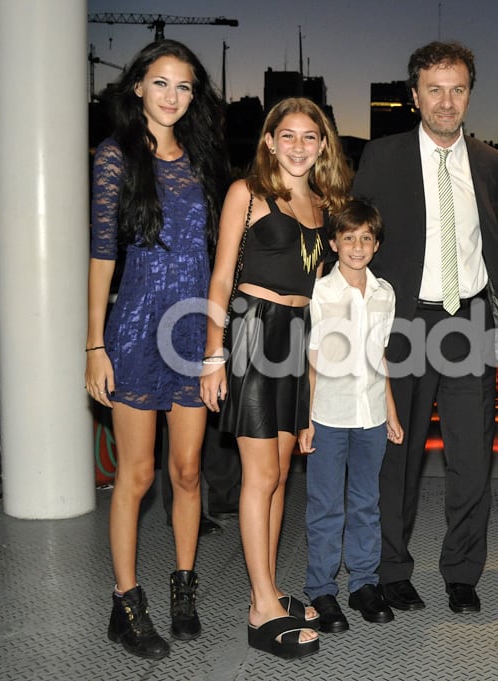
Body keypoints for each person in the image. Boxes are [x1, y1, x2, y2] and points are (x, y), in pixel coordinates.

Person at [351, 41, 498, 614]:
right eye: (435, 90)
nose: (447, 102)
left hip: (468, 318)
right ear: (415, 95)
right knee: (396, 453)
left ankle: (463, 572)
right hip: (406, 320)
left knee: (472, 456)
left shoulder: (491, 161)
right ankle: (392, 568)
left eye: (457, 89)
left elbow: (495, 243)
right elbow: (357, 240)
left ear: (469, 93)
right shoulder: (382, 156)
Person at [85, 39, 229, 659]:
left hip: (194, 330)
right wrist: (95, 344)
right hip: (139, 328)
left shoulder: (201, 160)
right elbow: (101, 255)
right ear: (138, 86)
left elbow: (219, 253)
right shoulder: (115, 156)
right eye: (161, 83)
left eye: (185, 86)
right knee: (138, 475)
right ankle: (126, 602)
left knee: (189, 470)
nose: (173, 96)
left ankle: (184, 589)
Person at [200, 97, 351, 658]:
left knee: (282, 474)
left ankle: (271, 589)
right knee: (259, 475)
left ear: (322, 145)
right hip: (252, 329)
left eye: (310, 137)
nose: (298, 146)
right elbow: (220, 279)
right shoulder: (248, 194)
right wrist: (213, 355)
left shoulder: (323, 204)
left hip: (298, 335)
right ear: (269, 140)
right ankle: (260, 605)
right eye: (287, 135)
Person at [299, 199, 404, 632]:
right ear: (334, 243)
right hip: (328, 414)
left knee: (366, 503)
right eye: (348, 238)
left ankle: (364, 583)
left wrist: (391, 413)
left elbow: (380, 356)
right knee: (325, 506)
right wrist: (306, 419)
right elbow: (313, 358)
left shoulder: (385, 293)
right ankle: (322, 589)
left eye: (365, 238)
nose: (357, 247)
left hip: (372, 416)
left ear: (376, 244)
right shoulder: (322, 291)